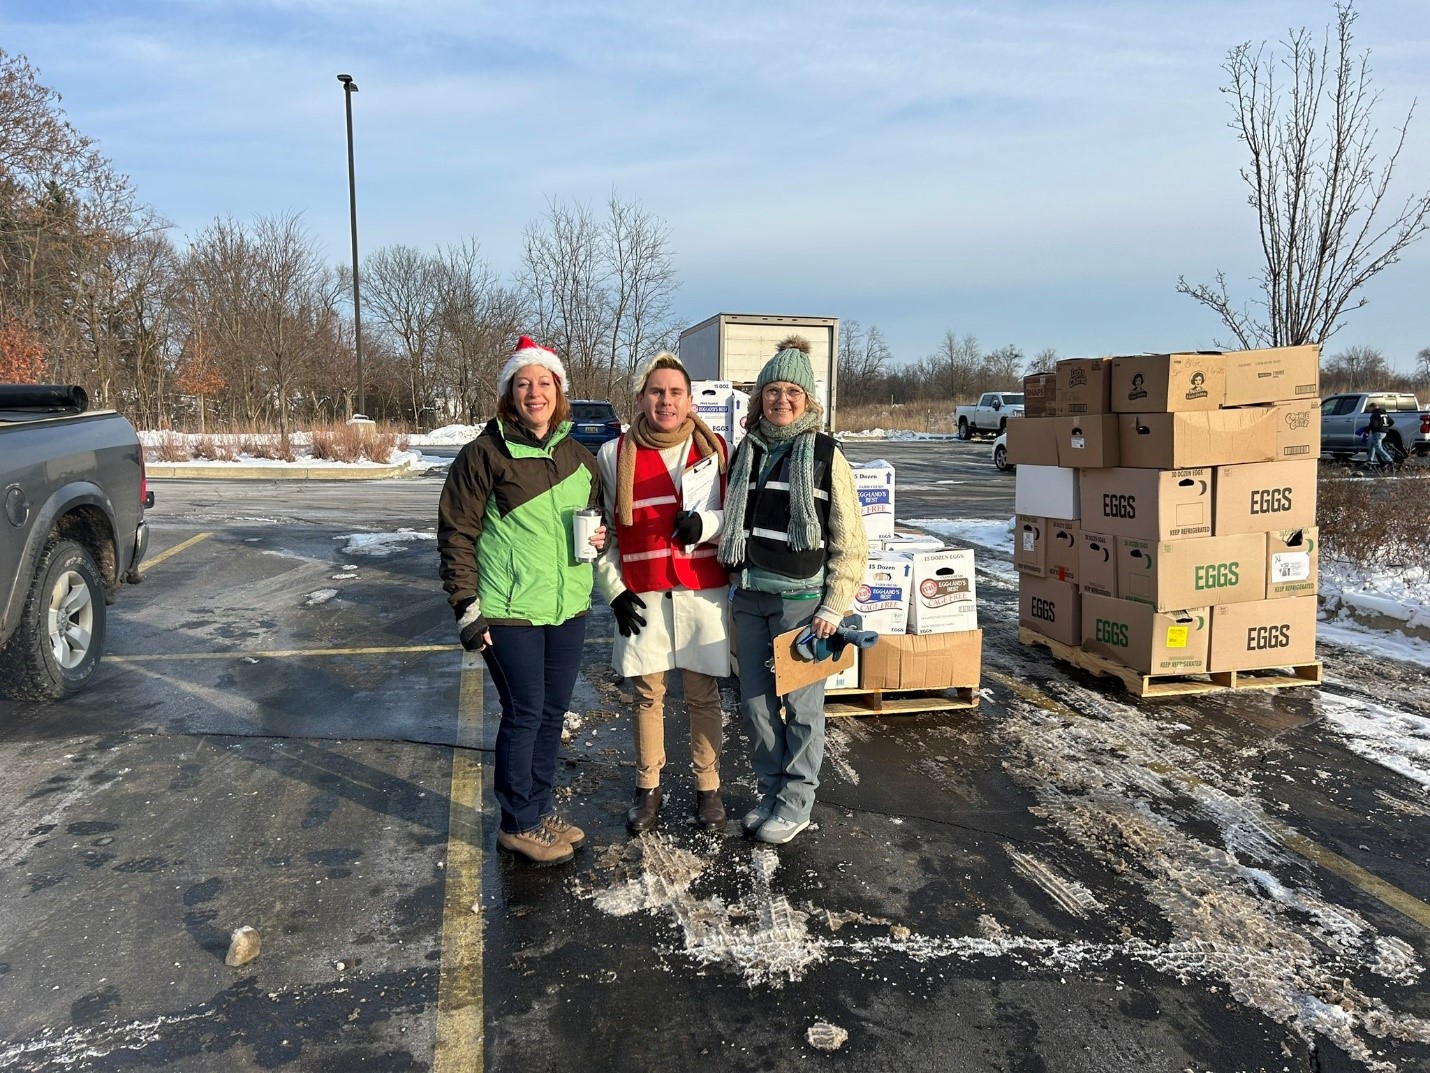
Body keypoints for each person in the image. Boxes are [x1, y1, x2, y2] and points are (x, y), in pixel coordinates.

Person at [438, 336, 604, 867]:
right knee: (525, 711)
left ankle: (537, 808)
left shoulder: (580, 458)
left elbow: (594, 525)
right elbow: (456, 534)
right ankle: (517, 823)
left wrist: (599, 541)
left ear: (560, 390)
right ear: (510, 393)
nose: (535, 392)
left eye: (544, 382)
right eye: (523, 383)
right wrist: (467, 606)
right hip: (509, 612)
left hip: (568, 607)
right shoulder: (484, 455)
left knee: (552, 712)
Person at [717, 336, 869, 845]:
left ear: (808, 400)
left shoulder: (826, 454)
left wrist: (833, 606)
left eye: (792, 392)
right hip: (751, 596)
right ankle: (770, 793)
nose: (781, 400)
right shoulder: (747, 452)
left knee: (802, 709)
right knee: (756, 706)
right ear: (759, 396)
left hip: (803, 606)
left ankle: (797, 801)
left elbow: (850, 542)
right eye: (772, 390)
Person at [594, 353, 732, 834]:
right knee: (647, 697)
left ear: (690, 400)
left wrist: (706, 524)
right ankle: (647, 788)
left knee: (703, 696)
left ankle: (707, 788)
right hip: (644, 594)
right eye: (657, 391)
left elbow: (734, 521)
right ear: (641, 398)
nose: (666, 401)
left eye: (675, 393)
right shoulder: (614, 455)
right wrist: (612, 591)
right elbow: (603, 533)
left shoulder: (716, 452)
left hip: (700, 593)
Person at [1365, 403, 1395, 469]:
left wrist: (1367, 428)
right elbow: (1392, 422)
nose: (1369, 410)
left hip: (1378, 433)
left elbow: (1374, 425)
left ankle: (1389, 460)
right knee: (1372, 446)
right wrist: (1385, 427)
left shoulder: (1375, 414)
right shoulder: (1385, 413)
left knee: (1378, 447)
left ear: (1373, 407)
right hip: (1384, 432)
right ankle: (1369, 461)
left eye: (1370, 408)